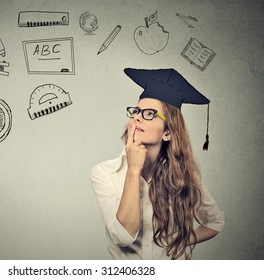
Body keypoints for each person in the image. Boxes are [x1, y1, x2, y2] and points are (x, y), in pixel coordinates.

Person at [90, 68, 224, 260]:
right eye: (136, 111)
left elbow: (214, 223)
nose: (137, 117)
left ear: (167, 133)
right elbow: (123, 236)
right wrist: (134, 171)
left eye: (149, 114)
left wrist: (178, 243)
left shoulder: (185, 175)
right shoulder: (104, 173)